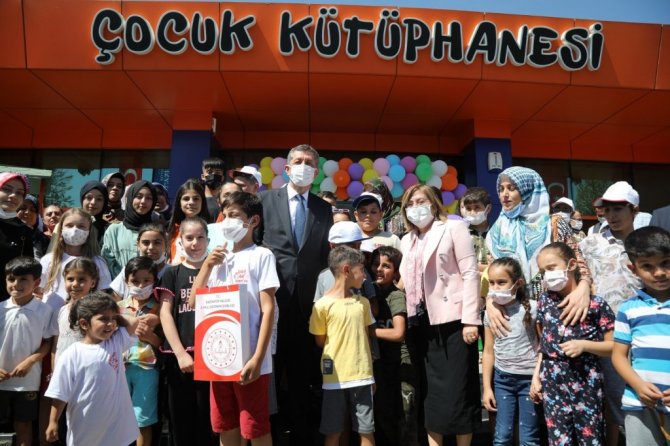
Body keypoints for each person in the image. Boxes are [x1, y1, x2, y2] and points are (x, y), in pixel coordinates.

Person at [190, 191, 278, 446]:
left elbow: (268, 308)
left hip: (250, 359)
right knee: (225, 424)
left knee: (255, 426)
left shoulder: (261, 255)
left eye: (235, 215)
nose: (227, 221)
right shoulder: (217, 259)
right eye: (225, 215)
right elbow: (194, 303)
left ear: (253, 221)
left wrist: (258, 358)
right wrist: (207, 266)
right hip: (218, 360)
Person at [258, 144, 333, 443]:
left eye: (309, 163)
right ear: (287, 169)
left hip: (307, 307)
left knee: (302, 378)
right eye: (298, 161)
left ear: (316, 171)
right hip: (271, 304)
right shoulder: (265, 200)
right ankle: (270, 435)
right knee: (271, 377)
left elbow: (324, 256)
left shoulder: (323, 208)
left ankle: (302, 436)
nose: (304, 166)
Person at [398, 184, 481, 446]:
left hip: (454, 321)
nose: (415, 208)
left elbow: (470, 273)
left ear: (434, 204)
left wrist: (471, 320)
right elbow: (403, 281)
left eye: (420, 201)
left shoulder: (454, 227)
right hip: (420, 323)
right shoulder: (406, 240)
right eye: (410, 204)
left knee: (458, 391)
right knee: (431, 393)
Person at [485, 166, 592, 338]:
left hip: (556, 309)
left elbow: (577, 260)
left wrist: (584, 287)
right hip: (514, 315)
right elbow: (494, 272)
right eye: (501, 189)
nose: (504, 194)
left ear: (529, 191)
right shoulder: (497, 230)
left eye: (511, 188)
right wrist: (491, 302)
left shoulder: (553, 224)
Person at [530, 242, 615, 446]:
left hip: (586, 380)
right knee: (558, 439)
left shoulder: (596, 304)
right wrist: (536, 376)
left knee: (591, 438)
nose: (547, 275)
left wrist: (584, 346)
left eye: (552, 268)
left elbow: (614, 347)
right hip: (552, 380)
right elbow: (544, 344)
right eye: (543, 271)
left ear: (572, 264)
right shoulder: (544, 301)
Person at [580, 181, 644, 444]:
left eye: (618, 209)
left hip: (640, 331)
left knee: (639, 397)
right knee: (610, 398)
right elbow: (580, 276)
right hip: (603, 334)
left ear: (634, 210)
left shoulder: (646, 242)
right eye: (607, 209)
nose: (611, 215)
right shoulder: (590, 243)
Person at [45, 291, 145, 446]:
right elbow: (60, 393)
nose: (110, 324)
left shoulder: (115, 342)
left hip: (119, 432)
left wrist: (112, 314)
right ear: (84, 324)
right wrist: (53, 421)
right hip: (86, 431)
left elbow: (133, 322)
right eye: (103, 319)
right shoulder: (72, 355)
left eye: (113, 319)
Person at [309, 246, 376, 446]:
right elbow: (320, 341)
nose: (365, 275)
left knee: (366, 430)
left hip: (363, 376)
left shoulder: (363, 303)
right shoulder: (321, 305)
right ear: (347, 270)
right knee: (333, 431)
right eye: (361, 270)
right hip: (334, 379)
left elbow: (366, 338)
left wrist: (372, 375)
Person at [157, 217, 215, 446]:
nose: (195, 243)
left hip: (212, 356)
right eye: (189, 238)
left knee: (208, 420)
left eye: (200, 237)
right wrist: (180, 353)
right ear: (180, 241)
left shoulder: (218, 271)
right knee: (181, 419)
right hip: (180, 357)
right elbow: (165, 313)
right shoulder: (171, 273)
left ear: (208, 239)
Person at [611, 226, 670, 446]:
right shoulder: (628, 309)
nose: (659, 272)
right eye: (647, 266)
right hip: (639, 404)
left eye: (666, 262)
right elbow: (618, 355)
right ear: (633, 269)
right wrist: (638, 385)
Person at [481, 257, 541, 446]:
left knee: (528, 437)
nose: (495, 288)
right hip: (503, 381)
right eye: (492, 283)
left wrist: (537, 378)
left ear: (518, 283)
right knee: (502, 436)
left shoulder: (533, 309)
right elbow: (488, 351)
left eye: (501, 282)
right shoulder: (490, 313)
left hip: (529, 381)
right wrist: (487, 388)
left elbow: (544, 347)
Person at [0, 257, 56, 446]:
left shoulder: (45, 311)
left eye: (23, 279)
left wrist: (30, 361)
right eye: (11, 279)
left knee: (23, 425)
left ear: (37, 282)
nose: (16, 284)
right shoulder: (0, 309)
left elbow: (47, 343)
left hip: (27, 382)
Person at [369, 246, 416, 446]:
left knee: (405, 415)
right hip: (381, 363)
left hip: (401, 364)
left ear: (396, 272)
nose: (379, 269)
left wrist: (368, 331)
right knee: (384, 413)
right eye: (375, 264)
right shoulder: (370, 294)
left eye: (386, 266)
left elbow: (398, 333)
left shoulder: (395, 296)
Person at [118, 256, 163, 446]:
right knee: (119, 417)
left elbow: (164, 344)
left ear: (155, 281)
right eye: (135, 281)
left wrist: (150, 336)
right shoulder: (118, 308)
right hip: (119, 369)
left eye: (146, 280)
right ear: (126, 281)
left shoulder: (160, 309)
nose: (141, 285)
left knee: (142, 420)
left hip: (147, 370)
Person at [40, 208, 111, 312]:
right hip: (50, 316)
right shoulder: (49, 260)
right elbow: (38, 290)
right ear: (61, 229)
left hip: (83, 315)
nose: (75, 230)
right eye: (69, 225)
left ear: (89, 230)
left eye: (81, 226)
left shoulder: (98, 262)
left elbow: (102, 294)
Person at [102, 180, 156, 277]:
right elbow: (107, 261)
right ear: (130, 198)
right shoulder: (114, 230)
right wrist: (125, 281)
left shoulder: (157, 233)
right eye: (139, 196)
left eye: (149, 198)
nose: (143, 201)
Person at [109, 223, 169, 300]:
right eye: (146, 243)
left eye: (157, 243)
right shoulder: (129, 269)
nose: (151, 247)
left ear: (166, 245)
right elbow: (115, 298)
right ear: (138, 244)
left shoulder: (173, 272)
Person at [0, 172, 34, 301]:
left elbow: (27, 270)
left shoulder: (24, 231)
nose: (13, 195)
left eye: (19, 193)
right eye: (6, 189)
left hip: (7, 302)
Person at [167, 180, 210, 263]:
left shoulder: (211, 229)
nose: (191, 202)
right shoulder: (172, 229)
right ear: (179, 203)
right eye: (186, 199)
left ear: (202, 202)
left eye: (196, 199)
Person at [17, 194, 50, 259]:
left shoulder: (44, 240)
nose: (27, 212)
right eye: (23, 208)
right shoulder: (5, 233)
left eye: (32, 210)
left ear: (37, 216)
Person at [201, 157, 225, 222]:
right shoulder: (198, 199)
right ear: (203, 177)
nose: (213, 175)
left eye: (217, 172)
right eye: (209, 172)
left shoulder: (227, 200)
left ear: (222, 177)